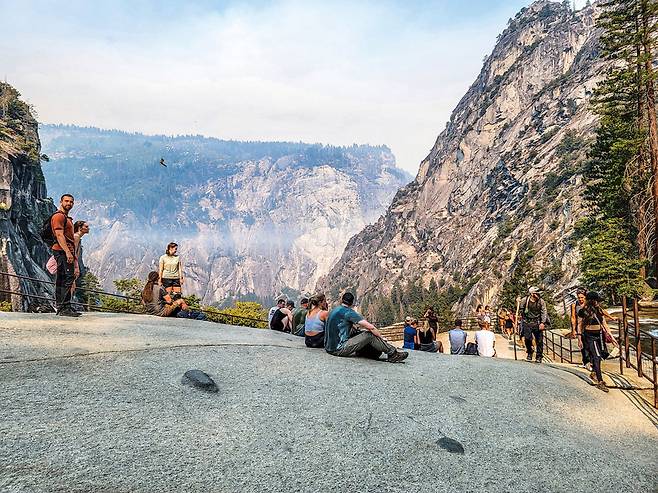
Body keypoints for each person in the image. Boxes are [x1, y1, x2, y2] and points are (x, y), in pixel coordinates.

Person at [324, 292, 408, 363]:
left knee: (358, 331)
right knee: (369, 335)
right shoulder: (349, 313)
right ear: (352, 303)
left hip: (328, 347)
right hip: (338, 349)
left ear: (342, 300)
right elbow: (371, 328)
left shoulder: (335, 309)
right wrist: (382, 338)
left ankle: (364, 351)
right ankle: (393, 353)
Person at [51, 194, 79, 317]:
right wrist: (67, 252)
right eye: (66, 201)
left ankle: (66, 306)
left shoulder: (66, 217)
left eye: (71, 202)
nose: (69, 203)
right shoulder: (58, 217)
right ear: (61, 202)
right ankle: (63, 307)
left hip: (65, 251)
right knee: (65, 279)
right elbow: (59, 235)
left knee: (66, 278)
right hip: (62, 251)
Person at [577, 292, 610, 393]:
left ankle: (594, 372)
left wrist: (611, 337)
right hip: (589, 336)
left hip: (599, 335)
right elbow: (579, 325)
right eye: (597, 301)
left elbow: (604, 323)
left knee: (603, 354)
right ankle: (600, 381)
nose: (598, 302)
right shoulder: (583, 311)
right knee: (596, 356)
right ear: (593, 301)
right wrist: (579, 338)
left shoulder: (599, 310)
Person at [521, 287, 548, 363]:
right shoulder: (525, 300)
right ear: (532, 294)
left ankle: (539, 356)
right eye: (536, 293)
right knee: (527, 339)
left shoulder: (541, 301)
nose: (538, 295)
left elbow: (544, 312)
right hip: (527, 322)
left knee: (539, 340)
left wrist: (542, 322)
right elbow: (521, 309)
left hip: (537, 322)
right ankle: (530, 352)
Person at [71, 220, 89, 308]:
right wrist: (75, 267)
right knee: (71, 285)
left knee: (72, 285)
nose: (88, 228)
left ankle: (67, 305)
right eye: (86, 226)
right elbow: (73, 253)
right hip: (70, 264)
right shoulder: (76, 236)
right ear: (79, 228)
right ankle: (66, 306)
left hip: (72, 263)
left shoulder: (77, 237)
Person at [571, 289, 590, 369]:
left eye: (582, 297)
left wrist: (611, 317)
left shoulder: (589, 304)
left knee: (590, 344)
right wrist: (573, 330)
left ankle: (591, 361)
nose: (580, 299)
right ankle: (586, 362)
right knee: (582, 345)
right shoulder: (574, 305)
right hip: (580, 327)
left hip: (589, 326)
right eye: (579, 297)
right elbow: (573, 317)